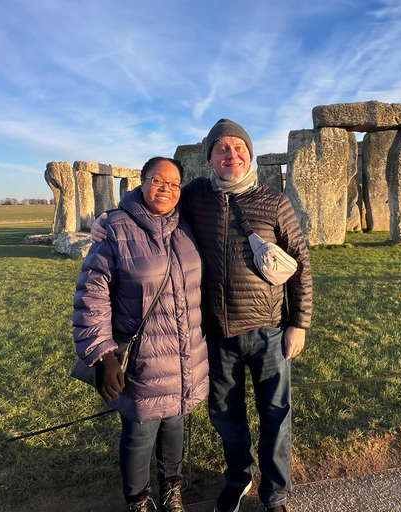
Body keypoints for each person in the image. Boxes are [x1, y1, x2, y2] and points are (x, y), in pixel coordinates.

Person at [93, 119, 313, 512]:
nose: (232, 155)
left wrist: (299, 323)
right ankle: (239, 477)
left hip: (269, 331)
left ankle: (276, 494)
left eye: (239, 148)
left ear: (250, 153)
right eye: (222, 148)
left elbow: (301, 263)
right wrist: (111, 222)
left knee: (276, 416)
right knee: (227, 416)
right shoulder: (194, 195)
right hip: (216, 333)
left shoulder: (273, 201)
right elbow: (154, 211)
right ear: (209, 157)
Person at [74, 157, 208, 512]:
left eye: (175, 183)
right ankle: (138, 501)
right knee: (140, 432)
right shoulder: (116, 228)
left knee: (175, 425)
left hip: (184, 352)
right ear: (142, 182)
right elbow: (92, 294)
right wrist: (102, 354)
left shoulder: (186, 225)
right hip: (144, 356)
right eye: (157, 180)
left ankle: (172, 492)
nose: (166, 189)